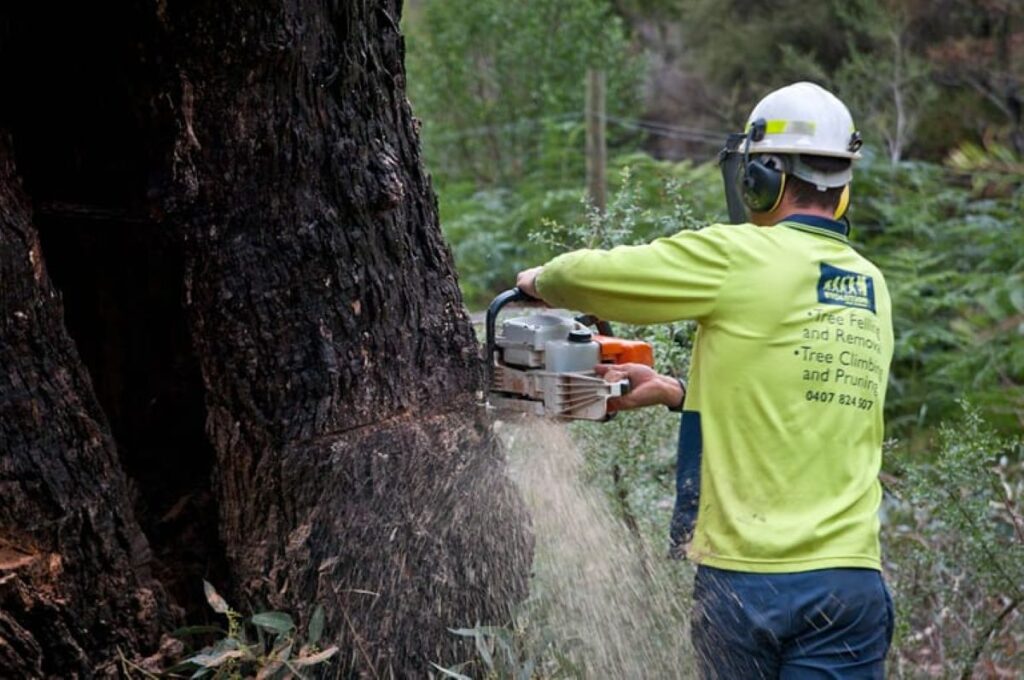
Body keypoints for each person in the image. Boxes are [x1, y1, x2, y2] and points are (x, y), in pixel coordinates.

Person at [516, 82, 895, 678]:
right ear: (842, 186)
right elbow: (803, 394)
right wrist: (675, 391)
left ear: (760, 178)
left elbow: (596, 278)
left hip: (746, 582)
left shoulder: (739, 255)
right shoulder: (872, 286)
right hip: (849, 584)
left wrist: (541, 280)